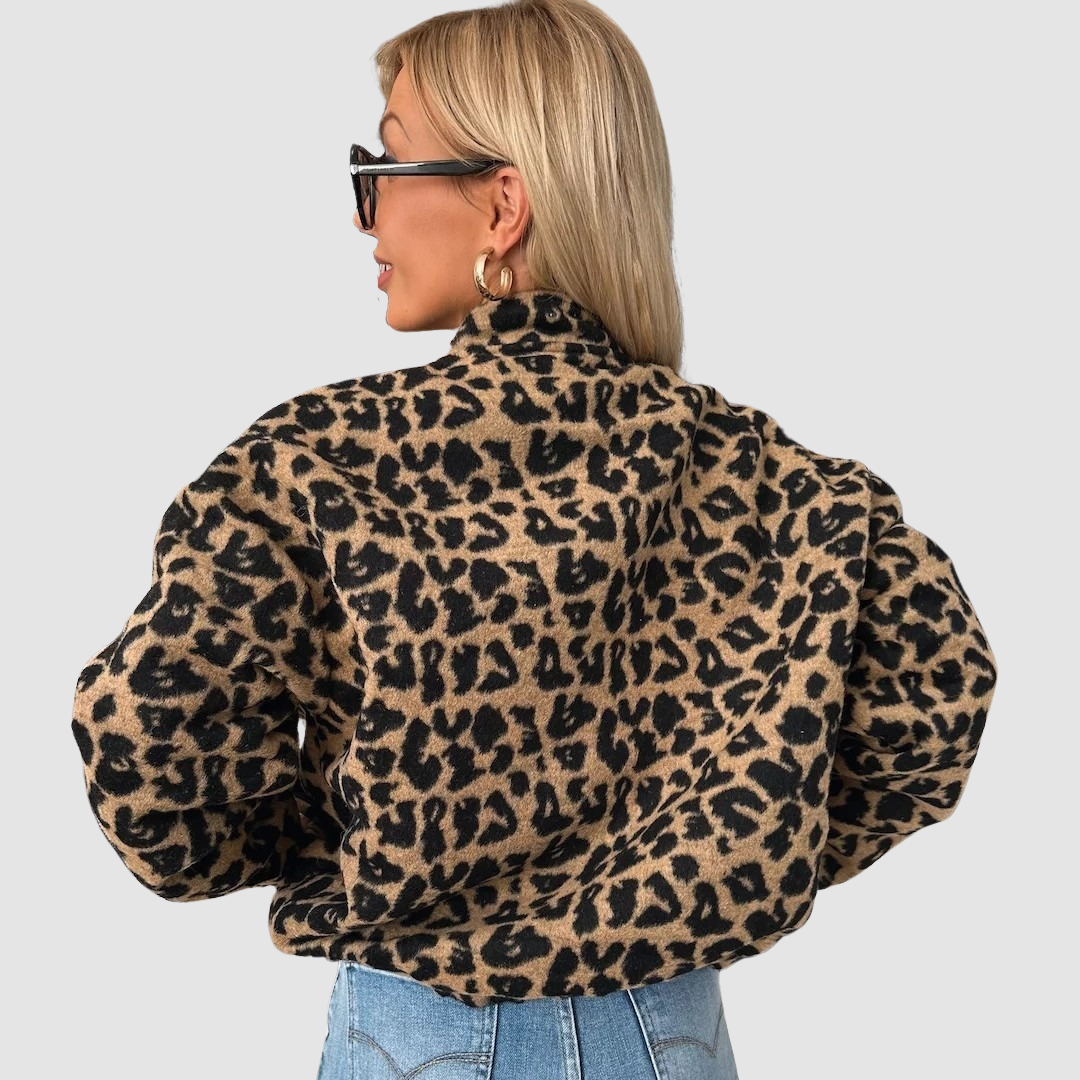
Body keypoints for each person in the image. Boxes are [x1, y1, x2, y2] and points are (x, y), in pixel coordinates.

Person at [69, 1, 998, 1077]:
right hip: (667, 1032)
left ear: (503, 204)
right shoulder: (759, 475)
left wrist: (341, 845)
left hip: (419, 1028)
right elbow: (936, 691)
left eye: (384, 165)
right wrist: (736, 845)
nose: (367, 215)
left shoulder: (324, 463)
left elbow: (144, 740)